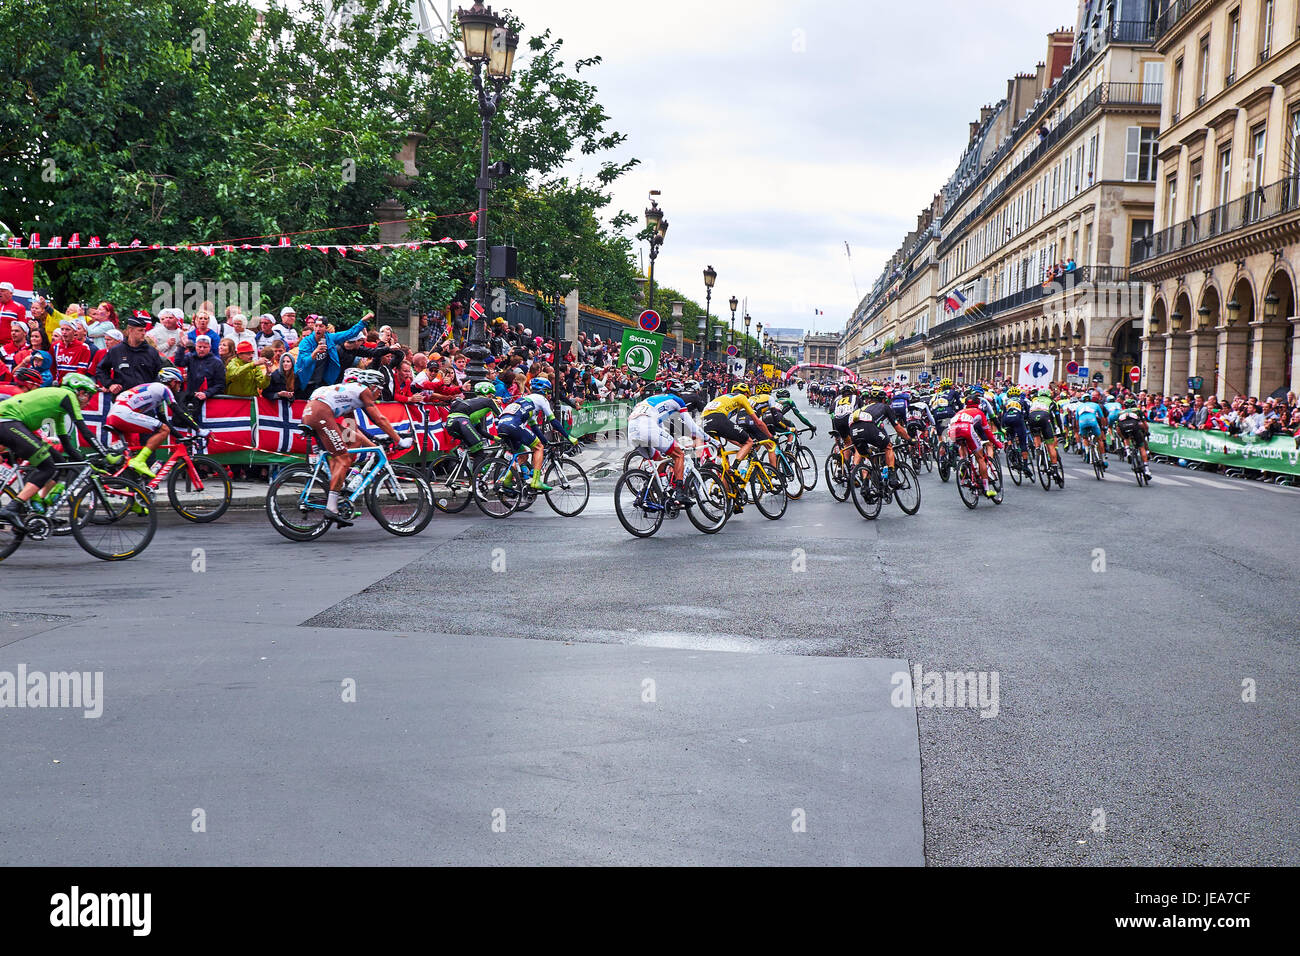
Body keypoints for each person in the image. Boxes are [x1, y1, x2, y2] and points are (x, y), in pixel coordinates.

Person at [0, 373, 122, 528]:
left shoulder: (58, 408)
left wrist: (85, 464)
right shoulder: (67, 395)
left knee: (58, 460)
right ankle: (12, 508)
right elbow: (84, 430)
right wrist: (106, 455)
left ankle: (38, 510)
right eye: (88, 395)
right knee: (47, 466)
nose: (88, 401)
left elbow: (68, 446)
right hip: (8, 422)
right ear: (80, 392)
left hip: (9, 422)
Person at [301, 367, 413, 525]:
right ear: (373, 386)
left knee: (353, 442)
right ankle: (331, 508)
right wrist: (399, 440)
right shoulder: (363, 390)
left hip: (313, 412)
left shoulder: (349, 397)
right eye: (380, 390)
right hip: (320, 414)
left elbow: (352, 431)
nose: (379, 394)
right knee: (343, 459)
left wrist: (374, 446)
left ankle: (338, 486)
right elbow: (379, 419)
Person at [106, 367, 203, 477]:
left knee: (130, 459)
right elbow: (178, 411)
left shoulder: (155, 391)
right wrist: (198, 429)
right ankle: (140, 460)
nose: (180, 387)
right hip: (123, 414)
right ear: (172, 381)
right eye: (179, 383)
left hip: (113, 416)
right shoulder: (163, 389)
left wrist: (180, 438)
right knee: (163, 430)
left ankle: (131, 489)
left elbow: (163, 420)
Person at [627, 386, 710, 504]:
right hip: (647, 428)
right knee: (679, 455)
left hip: (632, 432)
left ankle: (644, 493)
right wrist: (709, 439)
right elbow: (692, 427)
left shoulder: (648, 401)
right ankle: (679, 493)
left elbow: (659, 428)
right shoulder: (677, 400)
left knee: (662, 461)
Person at [493, 377, 577, 492]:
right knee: (538, 447)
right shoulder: (541, 399)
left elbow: (534, 428)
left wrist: (546, 442)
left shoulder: (526, 400)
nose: (549, 395)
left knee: (523, 455)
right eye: (548, 392)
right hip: (514, 425)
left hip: (501, 425)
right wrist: (568, 436)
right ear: (544, 391)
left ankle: (506, 480)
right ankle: (536, 481)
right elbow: (553, 421)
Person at [848, 385, 910, 487]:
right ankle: (892, 476)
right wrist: (909, 439)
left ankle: (865, 485)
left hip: (853, 429)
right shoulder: (885, 407)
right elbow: (898, 428)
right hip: (868, 428)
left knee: (868, 456)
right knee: (888, 446)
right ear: (883, 400)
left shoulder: (863, 407)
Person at [295, 313, 369, 393]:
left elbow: (349, 334)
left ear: (326, 328)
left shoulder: (330, 338)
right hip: (304, 380)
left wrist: (362, 322)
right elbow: (305, 362)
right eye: (316, 326)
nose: (318, 329)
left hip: (321, 382)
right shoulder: (306, 342)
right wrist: (315, 352)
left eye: (321, 326)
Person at [95, 311, 166, 395]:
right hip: (123, 399)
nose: (143, 333)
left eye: (144, 330)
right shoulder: (116, 350)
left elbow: (159, 374)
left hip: (146, 399)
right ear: (130, 330)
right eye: (140, 330)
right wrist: (110, 384)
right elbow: (101, 369)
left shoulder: (151, 351)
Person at [950, 387, 1002, 497]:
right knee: (980, 458)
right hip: (966, 429)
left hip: (953, 429)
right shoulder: (978, 412)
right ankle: (987, 488)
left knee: (962, 444)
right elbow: (987, 432)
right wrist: (996, 443)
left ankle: (964, 463)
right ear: (978, 404)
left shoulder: (960, 411)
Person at [444, 381, 503, 461]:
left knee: (473, 450)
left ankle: (461, 463)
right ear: (487, 394)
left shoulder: (473, 406)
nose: (492, 397)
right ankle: (477, 473)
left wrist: (497, 439)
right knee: (480, 453)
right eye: (491, 395)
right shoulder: (489, 401)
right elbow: (502, 417)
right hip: (461, 421)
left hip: (451, 422)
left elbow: (480, 431)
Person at [1115, 398, 1152, 479]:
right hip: (1135, 427)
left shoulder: (1120, 412)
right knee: (1141, 447)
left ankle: (1128, 451)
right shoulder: (1137, 410)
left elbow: (1117, 428)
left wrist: (1122, 437)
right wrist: (1146, 432)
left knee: (1126, 438)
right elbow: (1145, 424)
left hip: (1123, 427)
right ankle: (1147, 470)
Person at [1027, 389, 1063, 470]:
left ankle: (1038, 449)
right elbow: (1057, 418)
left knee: (1036, 434)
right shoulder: (1052, 402)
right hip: (1045, 419)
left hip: (1032, 419)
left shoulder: (1034, 401)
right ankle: (1054, 467)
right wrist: (1061, 429)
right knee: (1050, 445)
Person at [1076, 390, 1109, 468]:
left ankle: (1087, 451)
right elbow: (1102, 417)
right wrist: (1104, 427)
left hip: (1082, 423)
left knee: (1085, 438)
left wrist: (1078, 430)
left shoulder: (1079, 407)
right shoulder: (1096, 405)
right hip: (1093, 422)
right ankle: (1104, 460)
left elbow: (1076, 421)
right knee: (1099, 439)